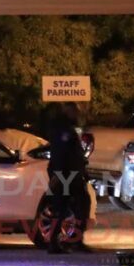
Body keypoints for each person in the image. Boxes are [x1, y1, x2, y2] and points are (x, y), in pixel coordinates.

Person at [46, 102, 92, 254]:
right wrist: (58, 176)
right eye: (75, 111)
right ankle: (58, 242)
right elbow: (61, 154)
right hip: (66, 176)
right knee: (63, 209)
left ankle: (73, 241)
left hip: (72, 175)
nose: (77, 115)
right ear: (68, 111)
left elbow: (74, 154)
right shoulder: (63, 129)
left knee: (79, 206)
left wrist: (83, 173)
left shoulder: (66, 128)